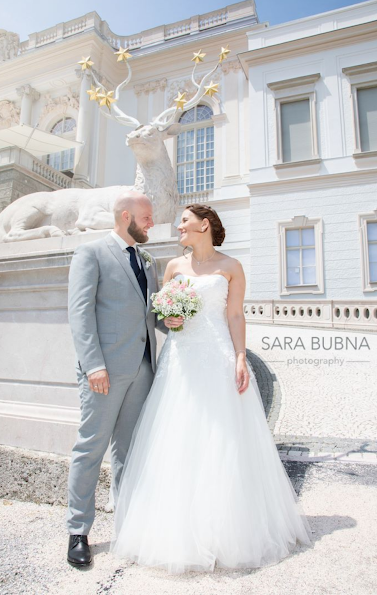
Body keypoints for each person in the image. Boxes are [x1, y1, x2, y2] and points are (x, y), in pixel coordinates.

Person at [110, 203, 313, 574]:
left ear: (204, 225)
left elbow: (234, 314)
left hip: (217, 356)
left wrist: (239, 357)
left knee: (224, 441)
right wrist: (169, 317)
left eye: (184, 222)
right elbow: (163, 314)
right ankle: (176, 532)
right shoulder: (173, 267)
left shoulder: (231, 267)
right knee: (178, 439)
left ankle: (226, 532)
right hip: (181, 360)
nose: (178, 228)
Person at [66, 191, 167, 567]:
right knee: (90, 448)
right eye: (146, 217)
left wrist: (181, 323)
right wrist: (93, 365)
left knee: (128, 451)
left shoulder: (147, 260)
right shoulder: (90, 253)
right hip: (103, 372)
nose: (151, 223)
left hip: (142, 370)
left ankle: (127, 526)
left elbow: (151, 314)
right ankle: (78, 531)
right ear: (126, 216)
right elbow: (80, 314)